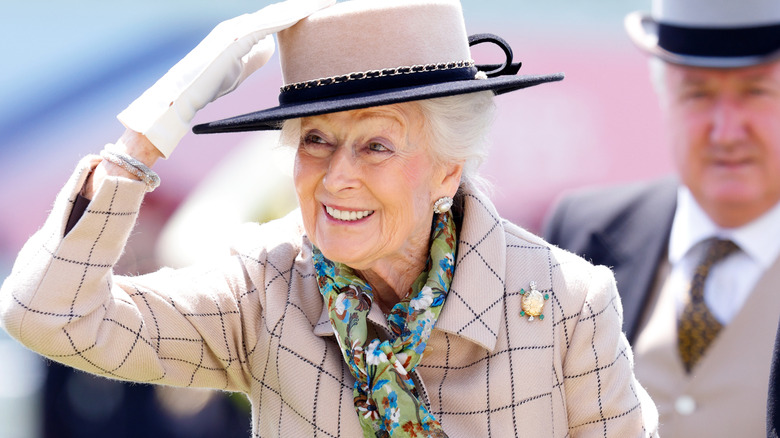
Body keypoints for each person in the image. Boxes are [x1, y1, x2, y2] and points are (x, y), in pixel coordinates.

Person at [0, 0, 659, 436]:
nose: (337, 175)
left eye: (376, 144)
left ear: (448, 169)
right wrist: (148, 135)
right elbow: (47, 315)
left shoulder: (567, 306)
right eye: (315, 139)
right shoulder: (262, 287)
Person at [543, 0, 780, 436]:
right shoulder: (582, 234)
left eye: (756, 92)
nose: (726, 131)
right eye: (698, 94)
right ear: (663, 97)